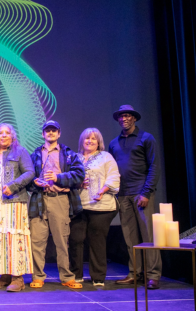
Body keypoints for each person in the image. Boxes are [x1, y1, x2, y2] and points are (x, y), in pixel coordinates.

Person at [108, 105, 161, 289]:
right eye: (121, 116)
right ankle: (135, 273)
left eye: (128, 116)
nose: (124, 119)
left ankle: (153, 275)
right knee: (130, 236)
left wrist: (146, 192)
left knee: (148, 235)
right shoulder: (114, 143)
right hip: (123, 194)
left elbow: (154, 166)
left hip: (141, 193)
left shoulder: (146, 138)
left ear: (134, 119)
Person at [27, 120, 84, 289]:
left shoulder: (68, 153)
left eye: (54, 131)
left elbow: (79, 175)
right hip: (39, 199)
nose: (50, 133)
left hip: (60, 199)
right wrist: (35, 182)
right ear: (43, 134)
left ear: (59, 133)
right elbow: (28, 178)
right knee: (37, 241)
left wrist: (58, 178)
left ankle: (66, 276)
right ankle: (37, 276)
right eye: (47, 131)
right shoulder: (35, 154)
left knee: (61, 240)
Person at [0, 124, 34, 292]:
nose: (4, 136)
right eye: (0, 133)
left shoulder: (20, 151)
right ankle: (4, 275)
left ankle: (18, 278)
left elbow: (29, 172)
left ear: (13, 137)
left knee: (14, 238)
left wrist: (13, 186)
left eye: (7, 133)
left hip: (13, 201)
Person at [68, 128, 120, 286]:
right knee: (75, 239)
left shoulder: (106, 157)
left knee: (96, 240)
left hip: (101, 206)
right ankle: (76, 274)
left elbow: (114, 176)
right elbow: (68, 178)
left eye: (93, 139)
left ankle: (98, 277)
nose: (90, 141)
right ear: (81, 141)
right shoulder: (74, 158)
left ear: (99, 142)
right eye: (86, 139)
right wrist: (77, 182)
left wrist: (103, 190)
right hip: (79, 206)